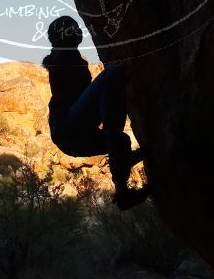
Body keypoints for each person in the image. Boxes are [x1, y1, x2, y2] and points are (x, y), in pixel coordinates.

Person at [42, 16, 149, 210]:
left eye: (76, 27)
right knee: (112, 75)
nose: (78, 31)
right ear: (61, 36)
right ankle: (123, 156)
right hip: (67, 125)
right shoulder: (63, 55)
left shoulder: (65, 56)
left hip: (68, 135)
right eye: (72, 28)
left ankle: (122, 191)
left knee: (121, 142)